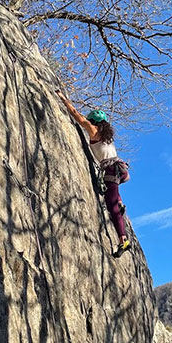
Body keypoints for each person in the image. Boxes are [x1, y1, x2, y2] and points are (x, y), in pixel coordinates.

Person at [56, 90, 131, 256]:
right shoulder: (107, 136)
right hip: (119, 170)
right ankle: (119, 202)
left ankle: (123, 240)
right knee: (114, 197)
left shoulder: (94, 130)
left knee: (112, 208)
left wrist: (63, 98)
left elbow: (77, 116)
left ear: (93, 121)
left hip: (111, 170)